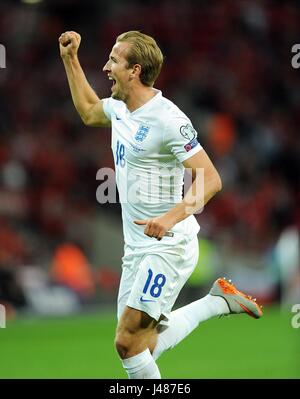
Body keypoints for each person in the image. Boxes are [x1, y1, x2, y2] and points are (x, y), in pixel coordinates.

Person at [59, 30, 263, 379]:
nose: (106, 67)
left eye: (113, 60)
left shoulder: (168, 119)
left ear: (134, 70)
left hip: (169, 246)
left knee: (126, 342)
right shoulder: (121, 108)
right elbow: (91, 112)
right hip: (136, 248)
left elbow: (210, 178)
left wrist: (170, 218)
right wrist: (69, 59)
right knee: (141, 345)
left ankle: (216, 303)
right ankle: (217, 302)